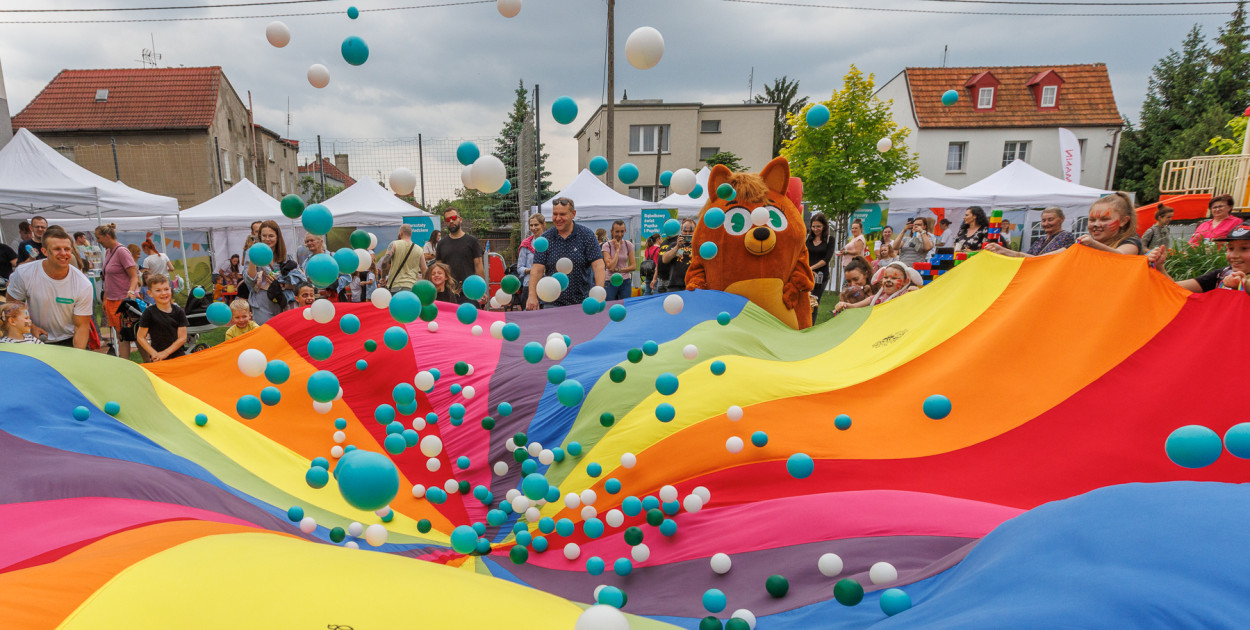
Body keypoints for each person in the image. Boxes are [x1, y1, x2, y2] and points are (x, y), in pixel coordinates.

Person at [6, 226, 93, 348]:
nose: (63, 253)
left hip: (69, 340)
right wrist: (31, 327)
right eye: (57, 249)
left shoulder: (83, 284)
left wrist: (77, 357)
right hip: (34, 338)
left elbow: (81, 326)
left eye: (67, 249)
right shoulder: (24, 273)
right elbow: (11, 305)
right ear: (45, 251)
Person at [527, 197, 606, 309]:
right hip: (552, 303)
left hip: (582, 303)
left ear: (573, 214)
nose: (558, 218)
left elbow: (598, 266)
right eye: (555, 214)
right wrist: (532, 295)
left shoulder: (587, 235)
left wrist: (599, 294)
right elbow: (537, 269)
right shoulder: (545, 238)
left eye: (562, 214)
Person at [1148, 218, 1250, 295]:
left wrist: (1243, 286)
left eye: (1245, 248)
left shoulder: (1235, 279)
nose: (1234, 255)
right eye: (1231, 249)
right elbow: (1175, 289)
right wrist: (1159, 267)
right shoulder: (1223, 274)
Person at [244, 220, 305, 324]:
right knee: (266, 333)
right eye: (264, 236)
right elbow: (249, 281)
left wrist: (282, 285)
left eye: (271, 236)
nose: (267, 239)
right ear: (260, 236)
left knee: (285, 332)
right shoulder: (252, 253)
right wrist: (254, 257)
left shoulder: (286, 257)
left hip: (283, 301)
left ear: (277, 237)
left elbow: (300, 282)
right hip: (262, 303)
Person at [95, 223, 140, 358]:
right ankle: (125, 366)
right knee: (121, 336)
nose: (98, 241)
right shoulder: (109, 251)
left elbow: (134, 276)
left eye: (98, 238)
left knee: (135, 335)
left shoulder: (122, 251)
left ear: (107, 236)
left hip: (123, 301)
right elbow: (108, 278)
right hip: (112, 300)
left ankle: (149, 363)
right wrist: (105, 299)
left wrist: (131, 293)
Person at [135, 274, 187, 362]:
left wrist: (166, 352)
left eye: (166, 289)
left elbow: (182, 338)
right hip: (158, 359)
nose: (163, 293)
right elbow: (140, 337)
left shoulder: (179, 312)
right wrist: (154, 353)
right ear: (150, 293)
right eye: (158, 290)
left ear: (170, 290)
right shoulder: (149, 313)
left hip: (179, 357)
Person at [834, 261, 922, 313]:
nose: (888, 280)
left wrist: (917, 293)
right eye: (886, 277)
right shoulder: (877, 298)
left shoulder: (905, 294)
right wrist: (844, 304)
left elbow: (919, 304)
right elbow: (854, 306)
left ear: (906, 281)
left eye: (894, 278)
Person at [435, 207, 485, 288]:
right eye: (448, 219)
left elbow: (478, 265)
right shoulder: (441, 244)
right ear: (445, 223)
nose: (451, 221)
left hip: (469, 289)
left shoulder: (472, 241)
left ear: (460, 219)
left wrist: (482, 289)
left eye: (454, 218)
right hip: (448, 290)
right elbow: (438, 267)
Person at [1078, 192, 1142, 255]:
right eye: (1092, 220)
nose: (1096, 224)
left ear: (1123, 221)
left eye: (1104, 219)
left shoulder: (1131, 242)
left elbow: (1121, 256)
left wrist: (1093, 244)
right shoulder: (1087, 244)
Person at [378, 224, 428, 293]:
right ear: (411, 234)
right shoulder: (419, 249)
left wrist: (383, 278)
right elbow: (424, 270)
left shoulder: (394, 244)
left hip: (395, 286)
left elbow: (384, 262)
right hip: (412, 287)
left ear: (400, 233)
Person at [807, 213, 834, 320]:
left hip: (820, 277)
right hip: (807, 274)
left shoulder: (829, 239)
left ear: (824, 226)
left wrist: (811, 268)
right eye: (813, 226)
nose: (815, 229)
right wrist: (808, 270)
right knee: (804, 300)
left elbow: (826, 259)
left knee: (814, 301)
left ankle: (811, 325)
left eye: (818, 226)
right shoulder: (808, 238)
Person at [601, 219, 636, 300]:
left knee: (625, 306)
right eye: (617, 231)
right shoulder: (606, 246)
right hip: (610, 281)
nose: (620, 234)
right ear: (612, 231)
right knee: (609, 306)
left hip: (625, 281)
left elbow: (633, 266)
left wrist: (619, 269)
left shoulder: (628, 245)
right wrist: (617, 250)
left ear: (625, 231)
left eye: (622, 231)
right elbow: (611, 267)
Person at [659, 218, 696, 293]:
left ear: (695, 231)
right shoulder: (675, 245)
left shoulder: (699, 246)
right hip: (676, 286)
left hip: (693, 285)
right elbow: (665, 259)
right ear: (681, 231)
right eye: (685, 231)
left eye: (691, 231)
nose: (687, 233)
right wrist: (677, 247)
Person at [516, 213, 545, 306]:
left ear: (543, 224)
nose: (533, 228)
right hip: (529, 286)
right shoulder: (526, 244)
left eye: (536, 225)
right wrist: (531, 270)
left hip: (547, 286)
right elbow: (519, 268)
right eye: (531, 225)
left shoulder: (551, 242)